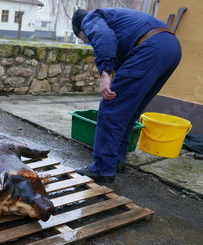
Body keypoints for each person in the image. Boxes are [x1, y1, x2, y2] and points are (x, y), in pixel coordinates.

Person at [72, 8, 182, 182]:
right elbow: (122, 56)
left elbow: (104, 38)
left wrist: (104, 73)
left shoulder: (90, 19)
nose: (86, 42)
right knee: (129, 111)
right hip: (172, 48)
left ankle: (102, 169)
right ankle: (116, 161)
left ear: (81, 30)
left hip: (151, 47)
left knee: (111, 108)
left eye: (82, 38)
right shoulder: (117, 19)